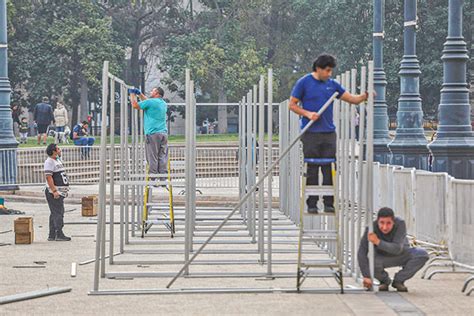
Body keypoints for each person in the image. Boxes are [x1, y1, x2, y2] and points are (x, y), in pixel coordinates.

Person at [289, 54, 369, 214]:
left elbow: (352, 99)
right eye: (327, 70)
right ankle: (311, 204)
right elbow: (292, 105)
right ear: (318, 69)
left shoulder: (332, 85)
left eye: (331, 71)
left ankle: (328, 203)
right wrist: (308, 114)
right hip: (310, 132)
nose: (329, 74)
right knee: (312, 167)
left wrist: (364, 97)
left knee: (329, 167)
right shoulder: (304, 83)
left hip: (328, 133)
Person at [358, 207, 429, 292]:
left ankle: (399, 280)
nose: (384, 227)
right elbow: (361, 252)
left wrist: (377, 241)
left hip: (402, 253)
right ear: (377, 221)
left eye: (388, 223)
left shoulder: (400, 224)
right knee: (370, 262)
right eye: (382, 223)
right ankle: (384, 281)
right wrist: (366, 276)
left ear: (393, 222)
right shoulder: (371, 228)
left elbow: (397, 249)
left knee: (422, 254)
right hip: (381, 258)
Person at [130, 87, 168, 183]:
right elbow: (148, 102)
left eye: (152, 90)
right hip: (163, 133)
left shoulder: (151, 102)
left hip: (152, 133)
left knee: (152, 156)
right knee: (162, 156)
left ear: (157, 93)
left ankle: (153, 179)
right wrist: (140, 94)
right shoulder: (162, 103)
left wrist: (132, 94)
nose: (151, 92)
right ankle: (163, 178)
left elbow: (135, 105)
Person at [44, 143, 71, 241]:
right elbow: (49, 177)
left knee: (54, 212)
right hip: (54, 192)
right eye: (58, 149)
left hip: (61, 191)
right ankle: (58, 233)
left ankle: (52, 234)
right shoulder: (49, 162)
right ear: (53, 151)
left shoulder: (57, 160)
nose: (60, 150)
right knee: (58, 213)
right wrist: (54, 190)